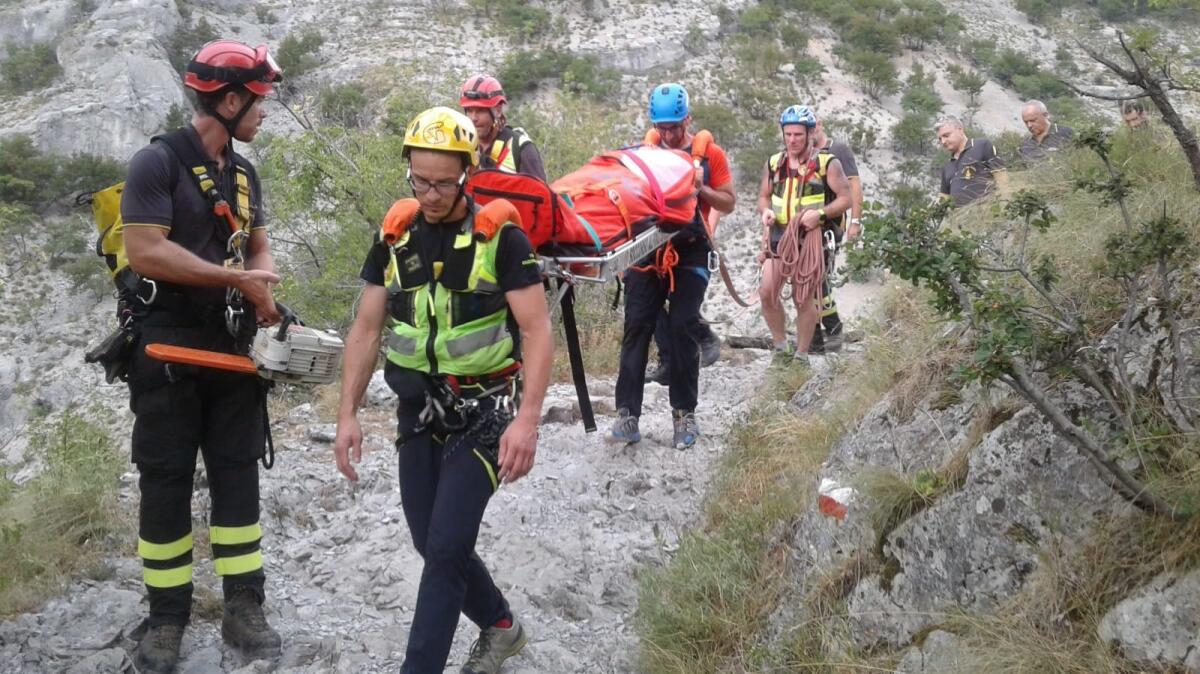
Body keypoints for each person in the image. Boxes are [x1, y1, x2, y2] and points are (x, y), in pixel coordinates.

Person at [333, 106, 553, 674]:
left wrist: (527, 421)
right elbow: (366, 327)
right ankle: (502, 627)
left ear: (466, 172)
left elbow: (536, 330)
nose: (429, 194)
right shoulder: (395, 236)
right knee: (429, 543)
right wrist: (347, 414)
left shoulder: (499, 239)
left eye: (442, 182)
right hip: (417, 409)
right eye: (419, 180)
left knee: (447, 550)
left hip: (484, 413)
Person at [119, 39, 284, 672]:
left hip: (233, 346)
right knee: (164, 480)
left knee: (237, 470)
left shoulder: (243, 175)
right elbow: (146, 252)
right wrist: (235, 281)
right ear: (230, 98)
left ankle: (245, 605)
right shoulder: (155, 164)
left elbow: (259, 248)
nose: (264, 112)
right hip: (165, 347)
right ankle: (166, 619)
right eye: (259, 100)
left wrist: (263, 291)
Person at [610, 83, 736, 449]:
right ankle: (627, 414)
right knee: (637, 326)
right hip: (647, 250)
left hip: (691, 249)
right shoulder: (644, 155)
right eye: (662, 127)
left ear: (687, 121)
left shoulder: (710, 156)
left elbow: (727, 201)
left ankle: (684, 414)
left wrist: (701, 189)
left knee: (682, 326)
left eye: (674, 127)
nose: (667, 134)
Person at [756, 105, 852, 361]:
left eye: (798, 134)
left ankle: (801, 355)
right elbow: (764, 197)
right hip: (779, 236)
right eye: (788, 134)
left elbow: (846, 198)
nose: (792, 140)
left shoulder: (826, 163)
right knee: (767, 292)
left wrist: (819, 215)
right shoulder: (775, 164)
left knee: (803, 297)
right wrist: (766, 212)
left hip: (811, 239)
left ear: (810, 134)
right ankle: (780, 348)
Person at [807, 115, 865, 354]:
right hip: (806, 228)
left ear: (819, 124)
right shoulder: (803, 154)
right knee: (810, 280)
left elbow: (854, 186)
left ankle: (829, 329)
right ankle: (816, 336)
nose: (807, 133)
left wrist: (855, 221)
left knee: (816, 278)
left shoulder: (838, 150)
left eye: (811, 127)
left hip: (830, 226)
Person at [459, 74, 547, 180]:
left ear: (498, 110)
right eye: (469, 111)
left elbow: (540, 193)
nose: (473, 118)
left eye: (481, 111)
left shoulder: (520, 149)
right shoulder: (461, 146)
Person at [936, 115, 1007, 206]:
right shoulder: (947, 166)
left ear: (960, 129)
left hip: (987, 213)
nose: (943, 141)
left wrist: (1004, 205)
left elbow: (1002, 179)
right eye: (940, 138)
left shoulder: (982, 146)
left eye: (946, 135)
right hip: (959, 218)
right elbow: (943, 199)